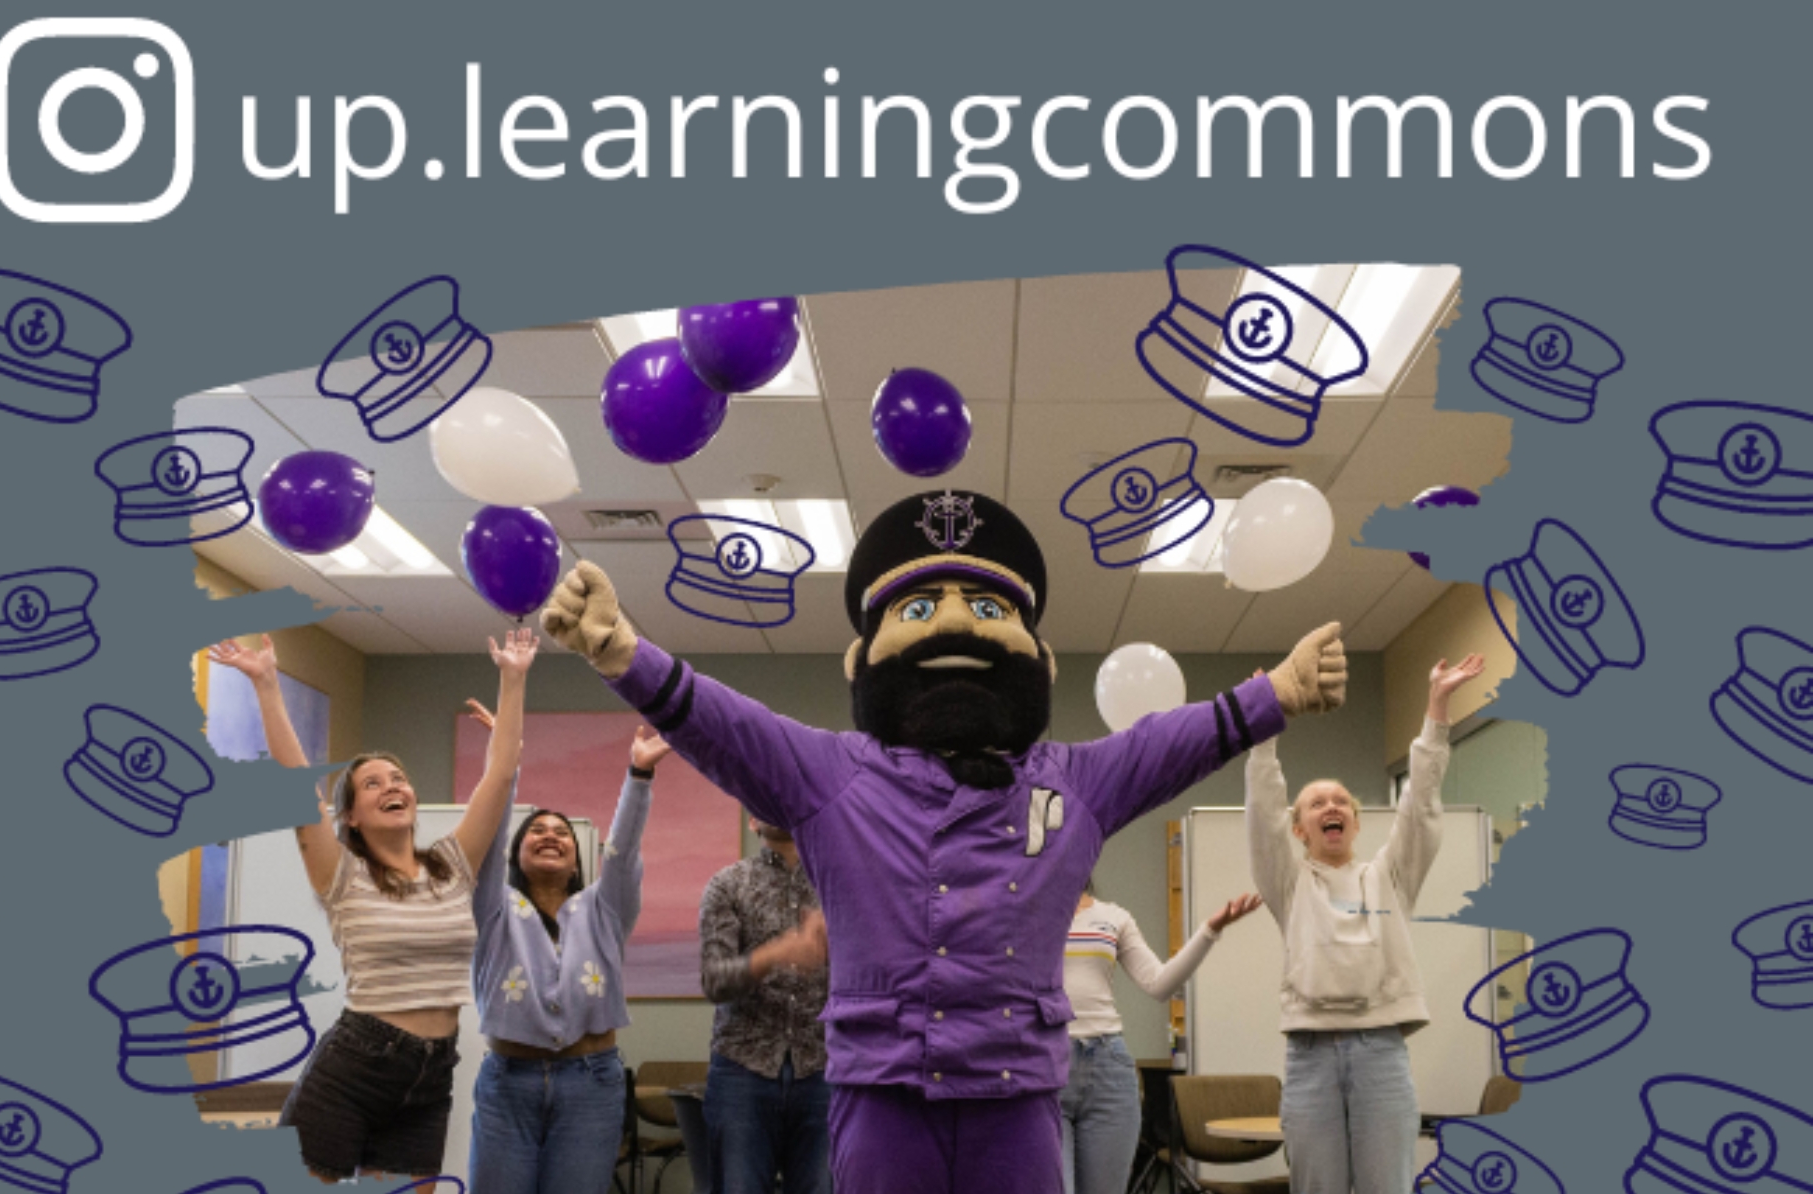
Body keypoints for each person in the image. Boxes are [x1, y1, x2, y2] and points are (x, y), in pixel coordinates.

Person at [538, 489, 1349, 1194]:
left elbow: (1173, 741)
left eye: (991, 609)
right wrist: (622, 654)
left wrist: (1272, 693)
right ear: (863, 660)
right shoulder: (834, 775)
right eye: (919, 610)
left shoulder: (1073, 780)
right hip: (884, 1102)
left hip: (1018, 1100)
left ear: (1044, 661)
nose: (958, 622)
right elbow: (725, 725)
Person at [207, 629, 537, 1184]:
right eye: (373, 783)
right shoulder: (342, 875)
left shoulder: (453, 865)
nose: (394, 786)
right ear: (351, 816)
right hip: (355, 1068)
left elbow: (500, 775)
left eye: (400, 779)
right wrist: (266, 683)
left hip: (433, 1074)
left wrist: (514, 677)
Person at [1246, 653, 1485, 1194]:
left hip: (1381, 1052)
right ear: (1302, 830)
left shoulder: (1390, 876)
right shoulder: (1289, 881)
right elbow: (1263, 813)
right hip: (1309, 1058)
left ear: (1354, 822)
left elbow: (1420, 804)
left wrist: (1437, 708)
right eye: (1316, 803)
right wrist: (1263, 732)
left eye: (1341, 802)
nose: (1331, 806)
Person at [462, 696, 672, 1194]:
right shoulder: (494, 907)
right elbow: (485, 845)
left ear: (579, 860)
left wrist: (638, 778)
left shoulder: (603, 910)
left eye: (561, 833)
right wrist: (504, 766)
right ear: (517, 853)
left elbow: (622, 854)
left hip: (592, 1083)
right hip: (507, 1083)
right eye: (536, 831)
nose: (550, 836)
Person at [1059, 886, 1261, 1194]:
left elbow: (1159, 984)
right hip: (1048, 1066)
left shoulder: (1114, 917)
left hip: (1108, 1067)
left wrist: (1210, 930)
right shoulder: (1027, 911)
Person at [699, 815, 833, 1194]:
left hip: (824, 1067)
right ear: (752, 821)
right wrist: (774, 955)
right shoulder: (727, 884)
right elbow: (714, 982)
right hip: (742, 1070)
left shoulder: (836, 883)